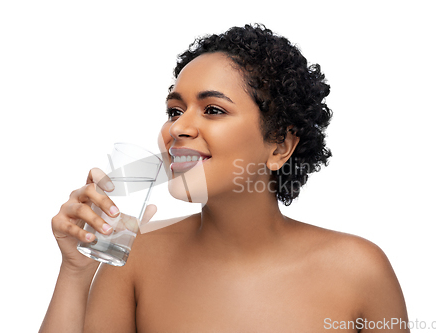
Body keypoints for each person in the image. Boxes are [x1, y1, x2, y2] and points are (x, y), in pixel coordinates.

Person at [40, 24, 409, 332]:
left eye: (213, 109)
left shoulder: (360, 271)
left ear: (280, 145)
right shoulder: (136, 258)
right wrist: (75, 271)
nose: (178, 127)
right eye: (174, 110)